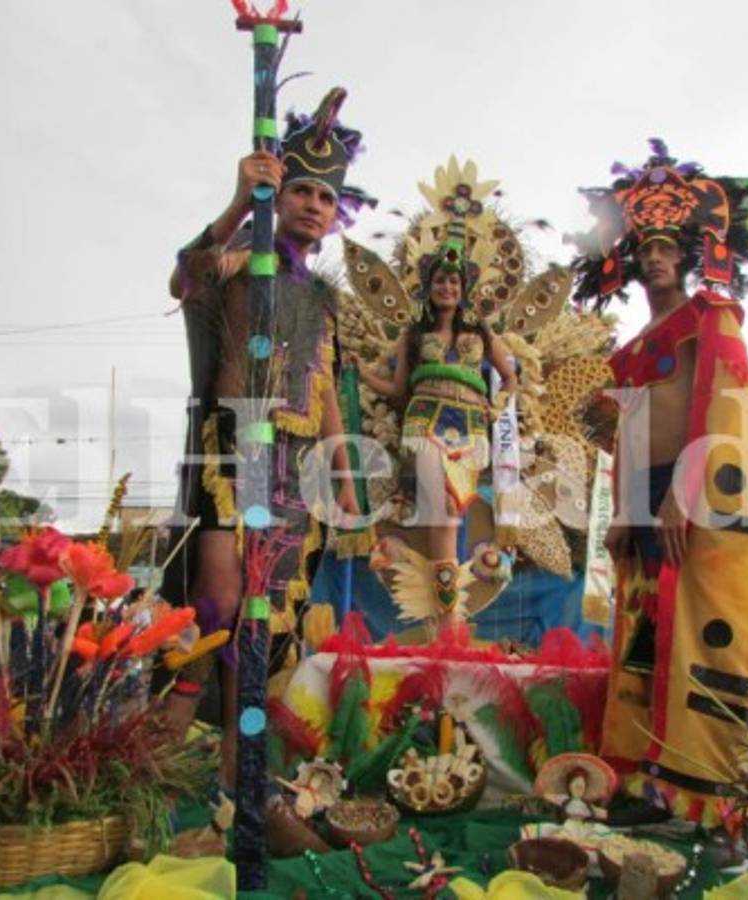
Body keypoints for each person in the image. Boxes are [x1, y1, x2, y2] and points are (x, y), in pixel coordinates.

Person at [165, 88, 368, 785]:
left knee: (269, 622)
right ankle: (152, 762)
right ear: (278, 195)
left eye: (324, 196)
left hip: (299, 461)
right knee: (216, 603)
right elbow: (184, 276)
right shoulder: (242, 258)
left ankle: (237, 778)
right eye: (300, 189)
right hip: (235, 447)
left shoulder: (323, 298)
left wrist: (344, 484)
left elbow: (328, 395)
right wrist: (235, 202)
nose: (312, 204)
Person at [577, 140, 748, 826]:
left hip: (695, 491)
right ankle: (639, 777)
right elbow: (630, 427)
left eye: (665, 247)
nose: (654, 257)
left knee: (693, 631)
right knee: (640, 632)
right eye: (644, 248)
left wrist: (681, 493)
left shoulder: (710, 318)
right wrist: (626, 506)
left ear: (687, 254)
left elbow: (725, 405)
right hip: (644, 495)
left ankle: (697, 789)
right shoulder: (630, 349)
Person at [356, 252, 517, 607]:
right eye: (440, 281)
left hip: (471, 423)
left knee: (453, 510)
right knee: (440, 510)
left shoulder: (481, 333)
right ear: (428, 289)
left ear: (464, 290)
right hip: (426, 420)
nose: (447, 287)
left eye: (454, 282)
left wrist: (499, 405)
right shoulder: (413, 335)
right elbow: (399, 389)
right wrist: (365, 375)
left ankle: (443, 615)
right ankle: (446, 623)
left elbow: (509, 377)